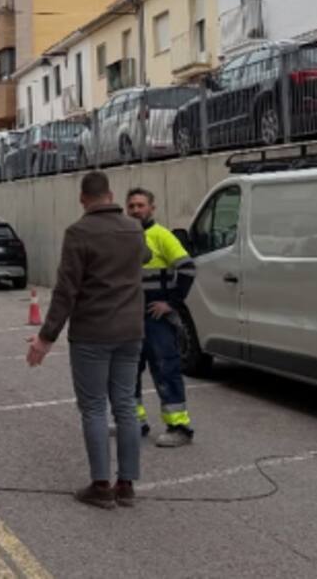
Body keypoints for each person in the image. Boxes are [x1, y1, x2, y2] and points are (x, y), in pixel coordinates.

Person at [27, 171, 147, 509]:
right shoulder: (133, 228)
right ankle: (126, 484)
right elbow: (146, 259)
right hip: (131, 332)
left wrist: (45, 338)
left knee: (94, 407)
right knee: (125, 405)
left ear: (83, 199)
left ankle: (100, 486)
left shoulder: (78, 233)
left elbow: (66, 291)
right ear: (111, 195)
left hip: (93, 333)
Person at [125, 188, 197, 448]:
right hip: (129, 318)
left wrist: (171, 303)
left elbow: (188, 268)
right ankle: (134, 422)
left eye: (140, 205)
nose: (135, 210)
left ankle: (179, 427)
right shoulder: (125, 238)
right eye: (131, 206)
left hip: (156, 320)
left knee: (166, 369)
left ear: (151, 208)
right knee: (128, 371)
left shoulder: (161, 235)